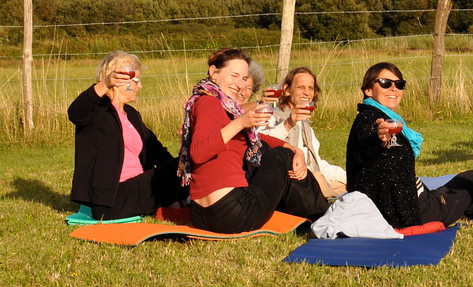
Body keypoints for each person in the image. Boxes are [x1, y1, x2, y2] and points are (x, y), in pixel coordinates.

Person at [178, 48, 329, 233]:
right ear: (213, 72)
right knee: (281, 156)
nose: (240, 85)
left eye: (243, 79)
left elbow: (258, 138)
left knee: (271, 148)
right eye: (234, 76)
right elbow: (198, 152)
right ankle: (323, 215)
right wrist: (241, 122)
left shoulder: (220, 104)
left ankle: (317, 211)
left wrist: (293, 148)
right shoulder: (209, 103)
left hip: (203, 215)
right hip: (232, 212)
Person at [345, 62, 473, 229]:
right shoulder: (371, 121)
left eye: (399, 84)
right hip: (411, 213)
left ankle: (472, 209)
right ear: (368, 90)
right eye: (385, 83)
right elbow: (362, 150)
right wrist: (378, 139)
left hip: (398, 205)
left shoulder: (376, 116)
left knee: (450, 190)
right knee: (472, 179)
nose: (394, 89)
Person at [68, 51, 187, 220]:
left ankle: (178, 202)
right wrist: (105, 83)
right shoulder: (97, 111)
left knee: (190, 164)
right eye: (135, 81)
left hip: (137, 187)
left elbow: (156, 150)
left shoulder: (131, 114)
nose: (140, 86)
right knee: (190, 165)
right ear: (118, 82)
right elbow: (75, 112)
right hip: (113, 199)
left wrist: (181, 168)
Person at [261, 67, 348, 197]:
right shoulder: (272, 116)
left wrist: (350, 176)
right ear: (287, 90)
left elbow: (317, 164)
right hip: (292, 184)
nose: (307, 93)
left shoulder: (306, 127)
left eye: (310, 88)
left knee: (356, 186)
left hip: (315, 178)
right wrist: (289, 123)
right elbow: (262, 142)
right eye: (301, 87)